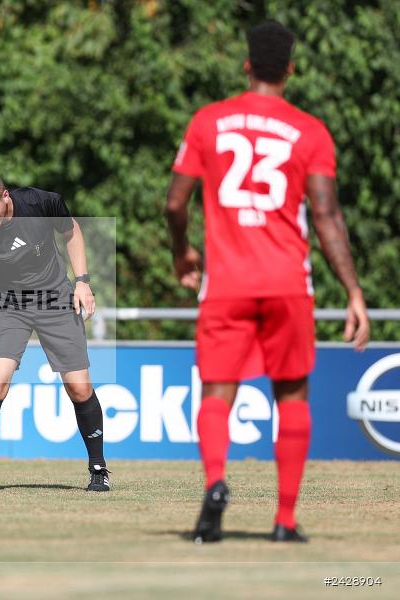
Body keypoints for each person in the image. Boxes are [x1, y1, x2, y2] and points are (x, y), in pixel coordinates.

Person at [165, 20, 369, 543]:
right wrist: (353, 290)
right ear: (292, 69)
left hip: (226, 282)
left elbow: (173, 201)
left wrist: (182, 251)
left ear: (247, 65)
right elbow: (326, 217)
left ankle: (215, 485)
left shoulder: (209, 121)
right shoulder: (311, 131)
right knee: (292, 398)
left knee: (216, 393)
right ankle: (283, 519)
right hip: (286, 284)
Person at [0, 168, 110, 493]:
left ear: (6, 196)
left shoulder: (41, 203)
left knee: (79, 388)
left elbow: (72, 232)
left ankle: (98, 468)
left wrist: (82, 282)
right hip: (10, 305)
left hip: (56, 298)